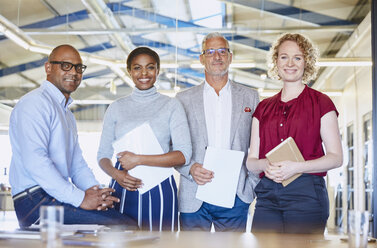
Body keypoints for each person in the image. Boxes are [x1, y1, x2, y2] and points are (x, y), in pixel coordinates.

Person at [9, 44, 137, 229]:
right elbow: (36, 162)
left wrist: (97, 193)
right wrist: (81, 198)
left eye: (78, 67)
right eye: (65, 65)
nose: (74, 72)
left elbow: (77, 164)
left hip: (53, 195)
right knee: (122, 226)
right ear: (48, 68)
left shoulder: (66, 113)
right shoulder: (35, 103)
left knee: (123, 218)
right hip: (34, 201)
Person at [246, 33, 343, 234]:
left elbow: (336, 158)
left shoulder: (321, 103)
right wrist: (265, 164)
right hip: (268, 196)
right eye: (284, 57)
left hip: (307, 195)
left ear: (306, 62)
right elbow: (251, 161)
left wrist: (297, 167)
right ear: (276, 61)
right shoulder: (263, 108)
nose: (290, 63)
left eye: (297, 57)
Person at [97, 47, 192, 231]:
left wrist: (139, 159)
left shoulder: (172, 106)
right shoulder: (116, 107)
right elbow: (102, 155)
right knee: (124, 240)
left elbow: (183, 155)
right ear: (129, 71)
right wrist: (117, 175)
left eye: (150, 67)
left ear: (157, 70)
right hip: (124, 185)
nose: (144, 73)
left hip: (160, 187)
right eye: (137, 68)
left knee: (160, 240)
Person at [176, 32, 260, 232]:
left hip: (236, 195)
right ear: (201, 58)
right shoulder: (182, 99)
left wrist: (250, 188)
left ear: (230, 57)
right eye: (210, 51)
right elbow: (172, 145)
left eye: (222, 51)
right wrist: (189, 168)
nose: (217, 56)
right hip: (193, 195)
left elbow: (261, 144)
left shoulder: (251, 97)